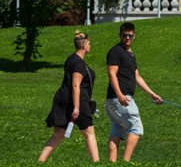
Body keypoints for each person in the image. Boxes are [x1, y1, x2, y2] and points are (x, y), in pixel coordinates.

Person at [105, 22, 163, 162]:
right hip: (120, 97)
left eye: (130, 36)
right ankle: (126, 162)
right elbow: (112, 74)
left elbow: (137, 76)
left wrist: (152, 94)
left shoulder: (130, 54)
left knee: (117, 131)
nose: (127, 38)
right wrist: (119, 95)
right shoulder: (116, 51)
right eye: (124, 35)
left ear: (134, 36)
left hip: (115, 99)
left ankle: (111, 163)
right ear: (120, 35)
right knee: (136, 128)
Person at [39, 31, 100, 162]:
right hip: (77, 100)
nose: (90, 46)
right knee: (89, 133)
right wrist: (77, 107)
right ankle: (97, 163)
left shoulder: (71, 59)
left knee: (58, 134)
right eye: (89, 43)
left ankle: (40, 162)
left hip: (63, 98)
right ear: (84, 45)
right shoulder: (78, 63)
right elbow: (75, 85)